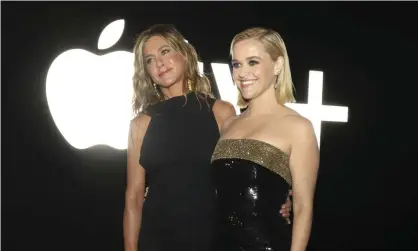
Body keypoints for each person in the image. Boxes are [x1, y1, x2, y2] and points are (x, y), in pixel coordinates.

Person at [123, 24, 292, 251]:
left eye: (164, 52)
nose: (159, 64)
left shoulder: (221, 112)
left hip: (212, 237)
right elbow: (133, 198)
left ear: (184, 54)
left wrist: (277, 198)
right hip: (157, 239)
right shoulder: (140, 124)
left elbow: (244, 174)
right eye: (149, 60)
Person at [211, 27, 320, 251]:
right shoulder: (230, 124)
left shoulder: (298, 127)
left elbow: (303, 207)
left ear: (278, 65)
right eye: (237, 64)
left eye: (253, 62)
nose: (242, 73)